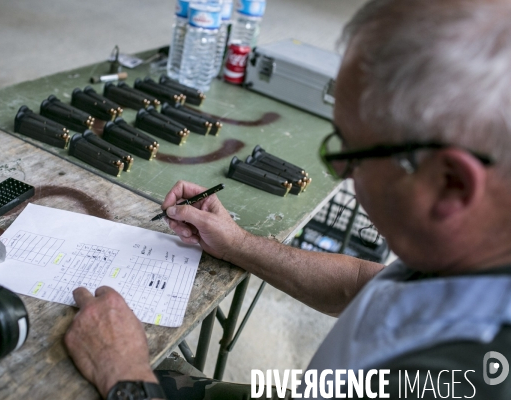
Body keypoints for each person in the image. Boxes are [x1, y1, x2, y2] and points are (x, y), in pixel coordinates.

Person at [64, 0, 511, 398]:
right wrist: (236, 244)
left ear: (451, 183)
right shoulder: (471, 246)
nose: (340, 173)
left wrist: (124, 374)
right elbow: (362, 284)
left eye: (351, 152)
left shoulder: (451, 378)